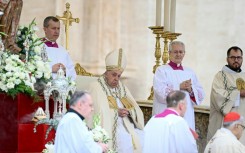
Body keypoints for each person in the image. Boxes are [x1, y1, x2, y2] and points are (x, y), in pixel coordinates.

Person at [88, 49, 144, 153]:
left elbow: (135, 108)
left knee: (143, 139)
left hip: (126, 125)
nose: (116, 79)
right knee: (124, 141)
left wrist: (130, 112)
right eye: (114, 75)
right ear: (106, 73)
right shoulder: (96, 87)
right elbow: (94, 114)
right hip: (108, 128)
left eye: (119, 76)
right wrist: (116, 113)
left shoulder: (122, 87)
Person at [152, 40, 205, 130]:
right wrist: (179, 87)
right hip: (167, 117)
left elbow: (200, 94)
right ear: (169, 53)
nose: (178, 54)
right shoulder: (162, 70)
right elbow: (159, 93)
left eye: (181, 52)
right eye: (175, 52)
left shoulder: (190, 72)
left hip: (186, 117)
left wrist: (191, 90)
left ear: (184, 53)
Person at [207, 46, 245, 145]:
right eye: (233, 57)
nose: (236, 60)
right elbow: (218, 96)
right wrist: (239, 93)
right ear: (227, 59)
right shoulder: (220, 76)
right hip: (225, 126)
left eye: (239, 57)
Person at [43, 16, 76, 80]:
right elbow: (32, 71)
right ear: (45, 29)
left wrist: (65, 71)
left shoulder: (63, 51)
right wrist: (50, 69)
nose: (57, 31)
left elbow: (73, 74)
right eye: (53, 28)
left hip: (63, 88)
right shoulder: (37, 47)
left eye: (58, 28)